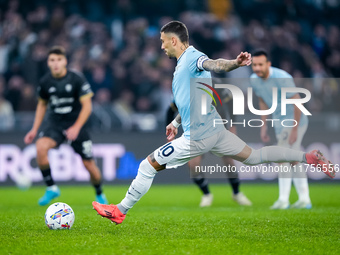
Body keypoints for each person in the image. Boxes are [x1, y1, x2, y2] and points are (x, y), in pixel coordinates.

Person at [92, 21, 334, 225]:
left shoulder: (192, 57)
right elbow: (196, 99)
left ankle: (120, 211)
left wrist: (235, 63)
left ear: (174, 41)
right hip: (216, 130)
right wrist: (176, 122)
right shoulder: (182, 66)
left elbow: (215, 64)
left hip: (198, 137)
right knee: (254, 157)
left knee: (148, 166)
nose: (161, 46)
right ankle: (308, 158)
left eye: (163, 41)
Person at [24, 46, 108, 206]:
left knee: (89, 165)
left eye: (59, 60)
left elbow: (87, 106)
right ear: (48, 63)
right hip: (55, 124)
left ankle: (99, 192)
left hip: (77, 124)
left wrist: (76, 127)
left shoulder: (76, 79)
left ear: (65, 61)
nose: (55, 63)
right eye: (52, 60)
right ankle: (51, 188)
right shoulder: (45, 82)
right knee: (40, 147)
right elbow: (42, 105)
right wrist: (34, 129)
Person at [250, 49, 311, 209]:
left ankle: (283, 200)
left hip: (294, 121)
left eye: (260, 65)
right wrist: (264, 126)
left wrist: (294, 129)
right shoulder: (254, 79)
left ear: (268, 64)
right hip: (279, 122)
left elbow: (297, 102)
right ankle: (304, 199)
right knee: (293, 159)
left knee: (282, 157)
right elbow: (262, 101)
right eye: (254, 65)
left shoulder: (282, 77)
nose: (257, 68)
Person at [166, 100, 252, 207]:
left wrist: (233, 125)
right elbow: (170, 110)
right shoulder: (186, 92)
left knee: (229, 161)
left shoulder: (216, 86)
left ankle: (237, 192)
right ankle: (206, 194)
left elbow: (230, 102)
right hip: (196, 133)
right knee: (193, 166)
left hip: (217, 129)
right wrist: (171, 132)